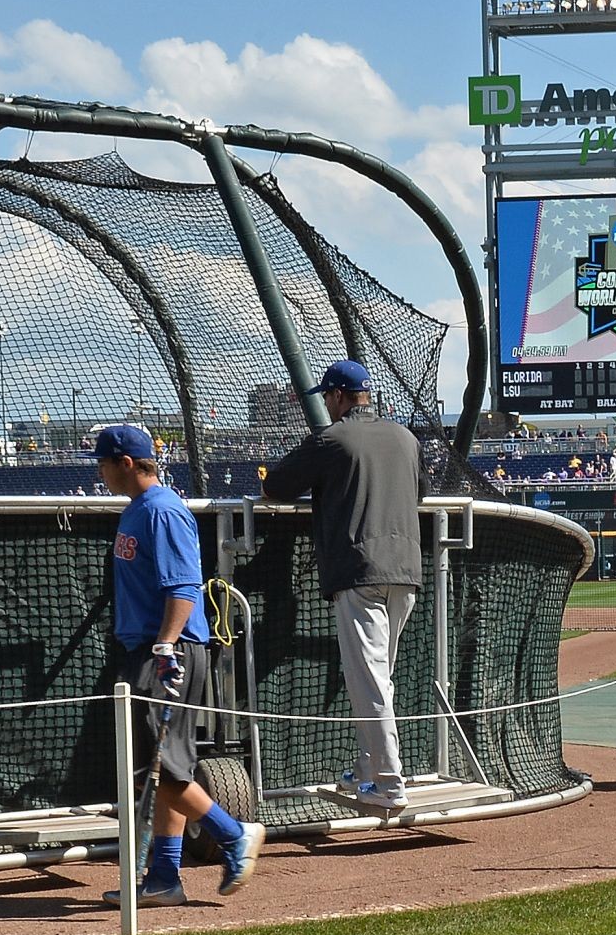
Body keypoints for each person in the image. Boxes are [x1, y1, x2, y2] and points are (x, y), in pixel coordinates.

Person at [94, 422, 256, 902]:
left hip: (168, 651)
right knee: (163, 769)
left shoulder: (162, 511)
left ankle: (234, 834)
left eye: (103, 463)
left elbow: (183, 587)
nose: (100, 472)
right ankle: (165, 877)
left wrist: (166, 646)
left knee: (158, 769)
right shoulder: (139, 510)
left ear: (126, 463)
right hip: (152, 648)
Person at [268, 359, 426, 812]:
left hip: (360, 572)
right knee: (379, 680)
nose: (326, 403)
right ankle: (366, 771)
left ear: (338, 395)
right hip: (406, 570)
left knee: (370, 683)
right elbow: (419, 492)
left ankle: (390, 784)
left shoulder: (332, 438)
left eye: (327, 396)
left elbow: (276, 486)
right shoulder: (406, 437)